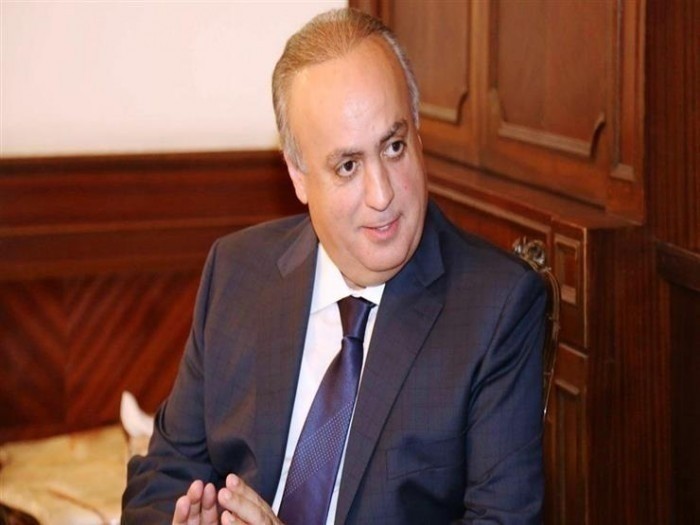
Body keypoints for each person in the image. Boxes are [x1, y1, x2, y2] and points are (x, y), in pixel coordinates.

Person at [122, 7, 546, 525]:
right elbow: (160, 479)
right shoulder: (237, 272)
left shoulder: (496, 307)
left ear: (418, 135)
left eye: (394, 147)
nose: (382, 194)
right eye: (347, 166)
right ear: (298, 177)